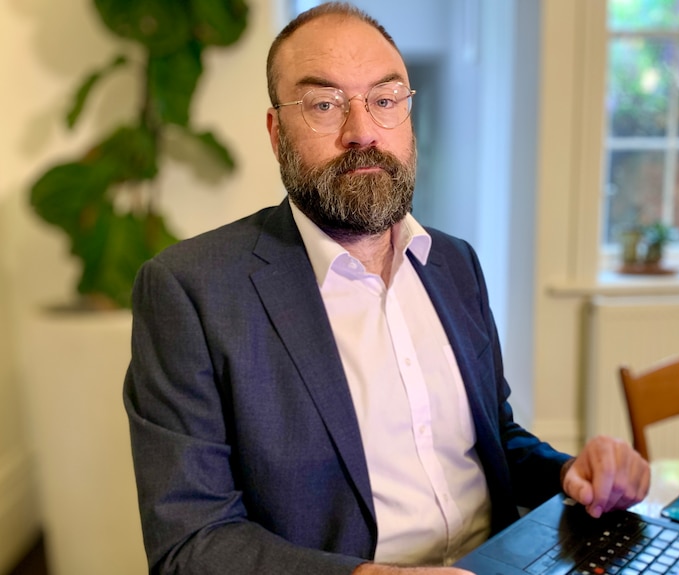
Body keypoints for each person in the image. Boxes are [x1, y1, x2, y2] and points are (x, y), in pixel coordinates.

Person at [123, 2, 651, 574]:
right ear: (277, 132)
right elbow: (190, 543)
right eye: (323, 105)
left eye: (385, 99)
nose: (363, 132)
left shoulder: (453, 262)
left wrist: (567, 474)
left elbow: (492, 437)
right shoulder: (192, 291)